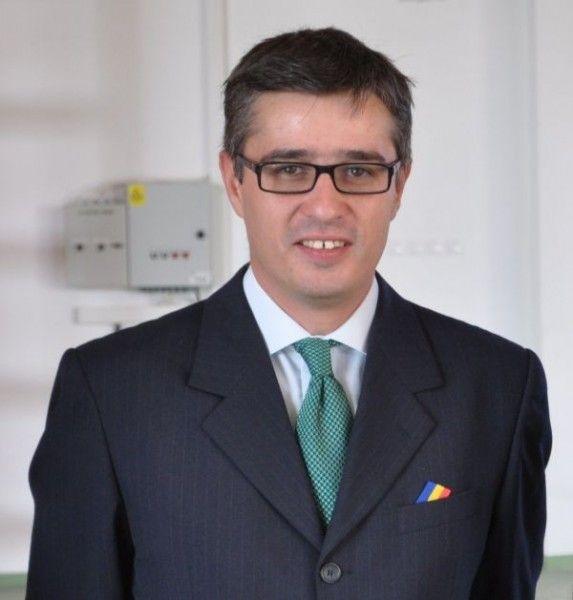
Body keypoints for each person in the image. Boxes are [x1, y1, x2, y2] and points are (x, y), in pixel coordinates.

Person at [26, 27, 551, 599]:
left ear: (399, 184)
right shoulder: (110, 390)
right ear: (234, 181)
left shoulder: (498, 386)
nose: (325, 207)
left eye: (359, 171)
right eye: (288, 170)